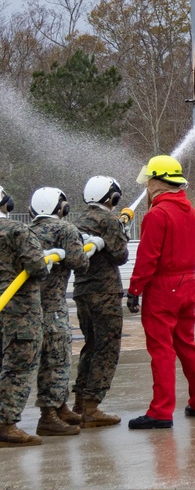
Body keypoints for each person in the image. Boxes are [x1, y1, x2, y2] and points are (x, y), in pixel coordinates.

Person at [126, 155, 195, 430]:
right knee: (187, 345)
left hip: (164, 288)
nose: (147, 186)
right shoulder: (192, 212)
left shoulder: (158, 214)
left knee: (161, 349)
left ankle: (161, 411)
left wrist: (135, 289)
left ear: (156, 181)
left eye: (149, 181)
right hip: (188, 283)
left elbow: (147, 257)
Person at [29, 187, 93, 437]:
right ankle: (48, 415)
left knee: (49, 359)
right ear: (61, 208)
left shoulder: (29, 231)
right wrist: (83, 246)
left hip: (31, 307)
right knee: (57, 360)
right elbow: (80, 264)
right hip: (54, 307)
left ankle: (60, 406)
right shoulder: (65, 229)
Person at [71, 175, 130, 428]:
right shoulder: (109, 220)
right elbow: (120, 255)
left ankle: (79, 402)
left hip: (81, 291)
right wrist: (122, 233)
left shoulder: (78, 220)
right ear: (112, 198)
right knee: (106, 349)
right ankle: (92, 407)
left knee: (91, 346)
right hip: (105, 293)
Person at [0, 185, 50, 447]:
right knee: (19, 366)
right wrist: (48, 261)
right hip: (20, 312)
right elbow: (37, 268)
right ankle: (6, 424)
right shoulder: (17, 230)